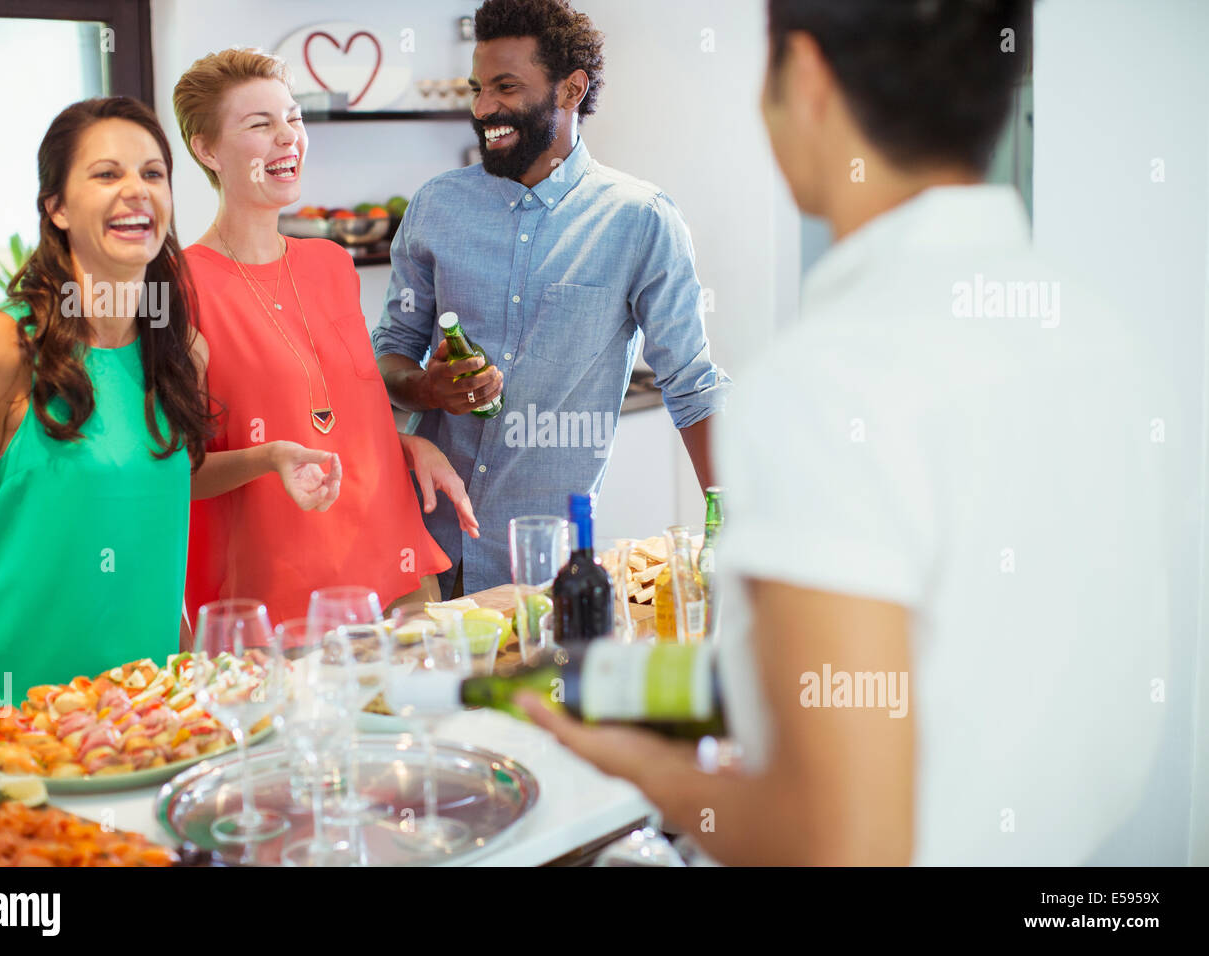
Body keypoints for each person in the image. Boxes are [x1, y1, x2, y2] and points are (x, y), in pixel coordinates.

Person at [522, 0, 1169, 865]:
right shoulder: (1099, 335)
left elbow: (839, 846)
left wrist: (636, 764)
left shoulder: (832, 380)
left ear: (808, 77)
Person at [0, 97, 336, 757]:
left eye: (153, 173)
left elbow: (157, 475)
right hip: (22, 723)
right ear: (56, 207)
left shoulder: (178, 348)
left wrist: (268, 456)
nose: (135, 190)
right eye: (106, 174)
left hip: (151, 713)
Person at [374, 0, 732, 596]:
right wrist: (426, 388)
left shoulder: (638, 219)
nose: (484, 108)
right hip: (424, 552)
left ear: (571, 90)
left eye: (506, 87)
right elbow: (388, 356)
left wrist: (735, 532)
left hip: (548, 569)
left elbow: (693, 386)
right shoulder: (435, 207)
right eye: (478, 88)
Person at [173, 49, 479, 625]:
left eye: (293, 118)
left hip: (397, 576)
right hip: (273, 606)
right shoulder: (182, 287)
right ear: (206, 149)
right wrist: (270, 457)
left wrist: (409, 445)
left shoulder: (332, 264)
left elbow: (342, 408)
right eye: (260, 124)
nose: (287, 137)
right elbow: (177, 472)